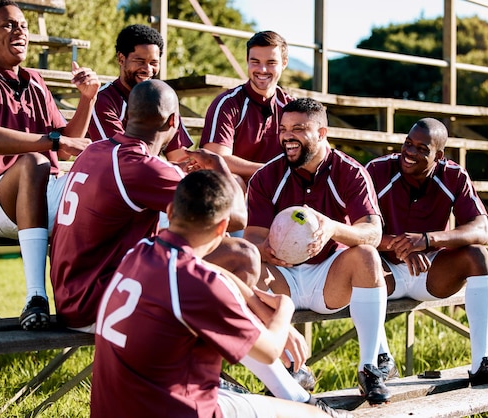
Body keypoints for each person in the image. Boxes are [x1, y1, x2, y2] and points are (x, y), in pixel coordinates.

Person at [50, 80, 343, 416]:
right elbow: (235, 216)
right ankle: (268, 377)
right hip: (101, 297)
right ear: (174, 123)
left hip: (96, 285)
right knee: (240, 258)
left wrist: (250, 300)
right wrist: (218, 164)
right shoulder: (142, 167)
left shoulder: (96, 151)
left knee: (234, 263)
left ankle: (276, 383)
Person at [90, 169, 341, 418]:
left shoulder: (139, 252)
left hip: (116, 406)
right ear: (222, 228)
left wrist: (253, 298)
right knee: (314, 415)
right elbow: (270, 350)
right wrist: (285, 309)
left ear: (169, 211)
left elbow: (210, 270)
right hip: (173, 409)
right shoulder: (199, 285)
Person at [244, 97, 396, 404]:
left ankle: (370, 367)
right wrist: (265, 249)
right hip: (281, 277)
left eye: (299, 128)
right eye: (284, 128)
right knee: (244, 260)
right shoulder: (266, 176)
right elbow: (252, 237)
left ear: (322, 133)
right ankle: (292, 366)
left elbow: (373, 232)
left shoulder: (350, 171)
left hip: (328, 278)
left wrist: (332, 228)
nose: (288, 136)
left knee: (367, 255)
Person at [0, 0, 98, 330]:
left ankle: (108, 301)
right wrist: (52, 142)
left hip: (45, 190)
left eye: (23, 25)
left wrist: (87, 98)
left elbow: (67, 145)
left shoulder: (35, 81)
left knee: (109, 183)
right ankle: (36, 297)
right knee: (35, 162)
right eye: (8, 25)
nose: (20, 30)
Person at [364, 117, 488, 386]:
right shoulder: (378, 170)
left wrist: (427, 240)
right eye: (408, 143)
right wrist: (401, 245)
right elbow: (351, 226)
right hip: (385, 272)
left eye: (421, 148)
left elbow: (481, 229)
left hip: (429, 271)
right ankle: (382, 360)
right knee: (362, 258)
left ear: (438, 155)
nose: (410, 152)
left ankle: (481, 363)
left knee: (478, 255)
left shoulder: (453, 175)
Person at [200, 30, 294, 184]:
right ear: (247, 60)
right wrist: (270, 170)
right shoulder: (227, 103)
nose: (262, 70)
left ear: (284, 63)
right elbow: (215, 159)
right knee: (234, 182)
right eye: (255, 61)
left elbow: (315, 153)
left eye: (271, 63)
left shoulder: (292, 108)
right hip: (238, 188)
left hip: (278, 186)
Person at [88, 24, 193, 162]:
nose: (148, 69)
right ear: (121, 59)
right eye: (140, 61)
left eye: (154, 63)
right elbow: (120, 158)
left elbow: (179, 157)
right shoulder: (103, 100)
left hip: (149, 173)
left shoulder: (163, 99)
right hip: (113, 177)